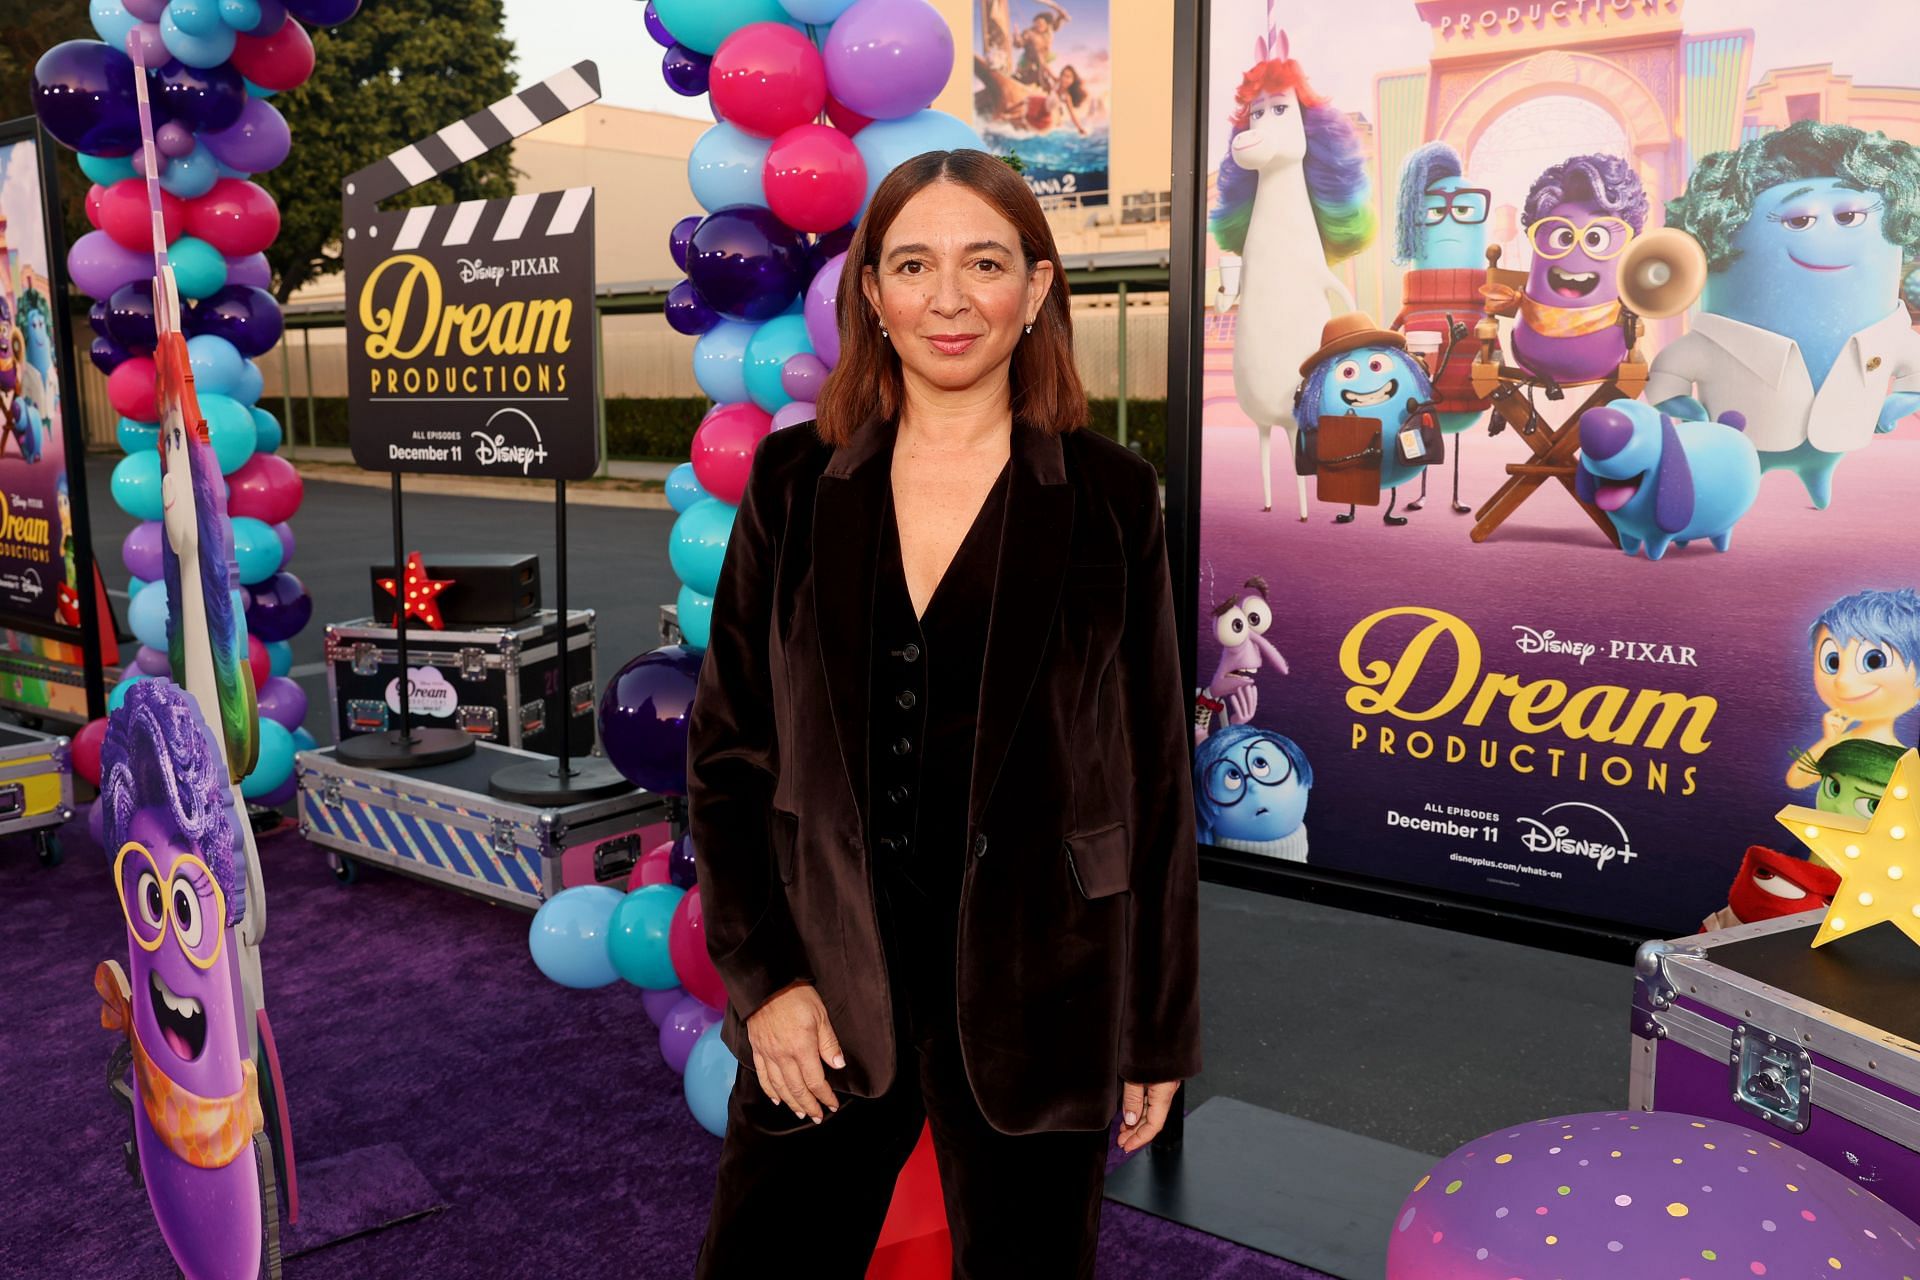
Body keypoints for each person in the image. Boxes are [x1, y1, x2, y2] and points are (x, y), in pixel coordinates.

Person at [687, 148, 1202, 1278]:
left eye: (986, 262)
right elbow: (726, 759)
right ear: (870, 292)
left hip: (1047, 993)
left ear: (1040, 285)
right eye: (913, 265)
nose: (951, 299)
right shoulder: (790, 483)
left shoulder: (1114, 495)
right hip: (820, 987)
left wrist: (1156, 1027)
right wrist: (765, 979)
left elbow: (1158, 776)